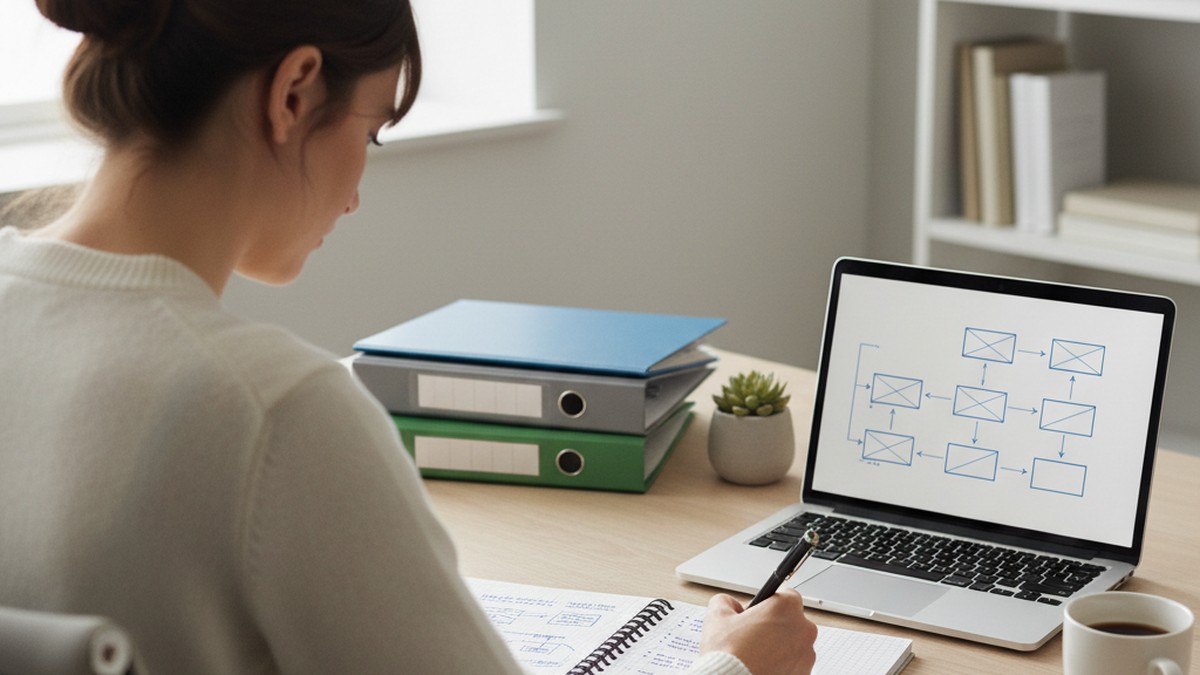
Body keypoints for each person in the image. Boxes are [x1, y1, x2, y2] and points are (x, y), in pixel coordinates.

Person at [0, 0, 819, 673]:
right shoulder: (277, 412)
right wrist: (733, 666)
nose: (357, 193)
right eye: (370, 133)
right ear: (293, 93)